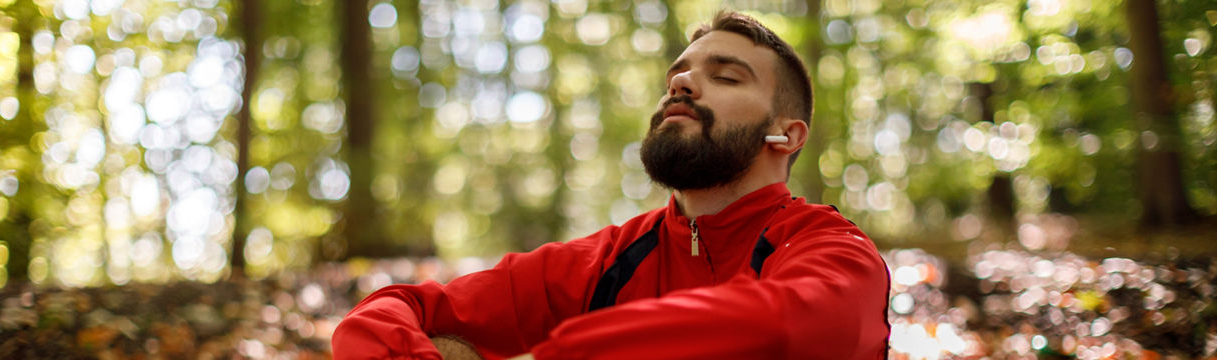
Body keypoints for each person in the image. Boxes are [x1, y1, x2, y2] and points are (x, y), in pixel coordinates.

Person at [332, 11, 890, 360]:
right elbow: (390, 310)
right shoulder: (609, 259)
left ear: (785, 135)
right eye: (680, 73)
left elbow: (793, 331)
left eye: (725, 76)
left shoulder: (833, 249)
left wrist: (560, 353)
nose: (682, 82)